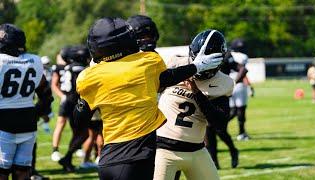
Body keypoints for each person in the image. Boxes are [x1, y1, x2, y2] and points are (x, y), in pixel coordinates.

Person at [73, 17, 223, 180]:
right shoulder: (148, 62)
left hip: (109, 159)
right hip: (136, 158)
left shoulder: (89, 77)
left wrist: (85, 93)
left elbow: (79, 121)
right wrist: (197, 66)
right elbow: (168, 78)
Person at [154, 30, 233, 180]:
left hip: (196, 150)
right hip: (163, 149)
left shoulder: (223, 82)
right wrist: (190, 69)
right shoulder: (176, 63)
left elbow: (219, 122)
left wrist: (197, 93)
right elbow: (155, 84)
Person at [0, 23, 53, 180]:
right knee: (22, 170)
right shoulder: (35, 61)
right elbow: (46, 94)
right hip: (28, 121)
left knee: (2, 171)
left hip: (3, 121)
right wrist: (35, 113)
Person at [57, 45, 91, 172]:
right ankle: (67, 158)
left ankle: (68, 161)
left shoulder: (68, 67)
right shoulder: (79, 68)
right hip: (74, 103)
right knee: (83, 134)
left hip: (67, 100)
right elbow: (81, 87)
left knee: (78, 134)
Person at [221, 38, 250, 141]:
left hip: (226, 84)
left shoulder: (226, 54)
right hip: (238, 84)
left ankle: (218, 128)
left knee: (231, 111)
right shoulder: (243, 57)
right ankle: (241, 133)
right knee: (241, 110)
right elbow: (243, 71)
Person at [51, 48, 68, 162]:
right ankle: (55, 150)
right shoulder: (58, 68)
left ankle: (78, 147)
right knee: (60, 123)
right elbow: (54, 85)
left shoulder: (72, 66)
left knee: (77, 125)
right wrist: (62, 97)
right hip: (65, 99)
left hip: (74, 99)